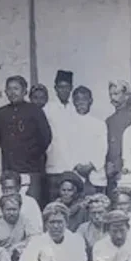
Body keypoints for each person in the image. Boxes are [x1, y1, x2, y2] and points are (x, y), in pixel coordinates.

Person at [0, 75, 52, 205]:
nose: (12, 92)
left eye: (16, 88)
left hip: (32, 168)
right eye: (9, 89)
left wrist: (30, 154)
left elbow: (46, 137)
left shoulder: (34, 111)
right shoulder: (2, 112)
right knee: (11, 204)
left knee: (31, 203)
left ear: (24, 91)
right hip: (10, 167)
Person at [44, 69, 77, 199]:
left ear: (71, 89)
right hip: (54, 165)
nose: (64, 90)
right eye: (61, 87)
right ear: (55, 88)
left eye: (67, 87)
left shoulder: (74, 109)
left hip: (72, 166)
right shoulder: (48, 109)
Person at [70, 86, 109, 194]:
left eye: (84, 99)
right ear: (73, 102)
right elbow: (65, 147)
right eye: (77, 99)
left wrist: (91, 165)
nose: (81, 103)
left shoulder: (99, 124)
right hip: (75, 173)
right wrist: (76, 165)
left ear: (90, 101)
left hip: (95, 175)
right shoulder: (67, 124)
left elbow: (102, 148)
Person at [0, 192, 40, 261]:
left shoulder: (25, 219)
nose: (11, 213)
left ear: (19, 208)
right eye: (8, 210)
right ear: (2, 210)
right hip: (1, 260)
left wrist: (17, 247)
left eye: (14, 209)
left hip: (21, 256)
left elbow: (34, 238)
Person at [104, 80, 131, 194]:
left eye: (116, 94)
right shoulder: (109, 120)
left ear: (126, 96)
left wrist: (118, 166)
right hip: (111, 172)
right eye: (110, 94)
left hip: (127, 170)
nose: (112, 98)